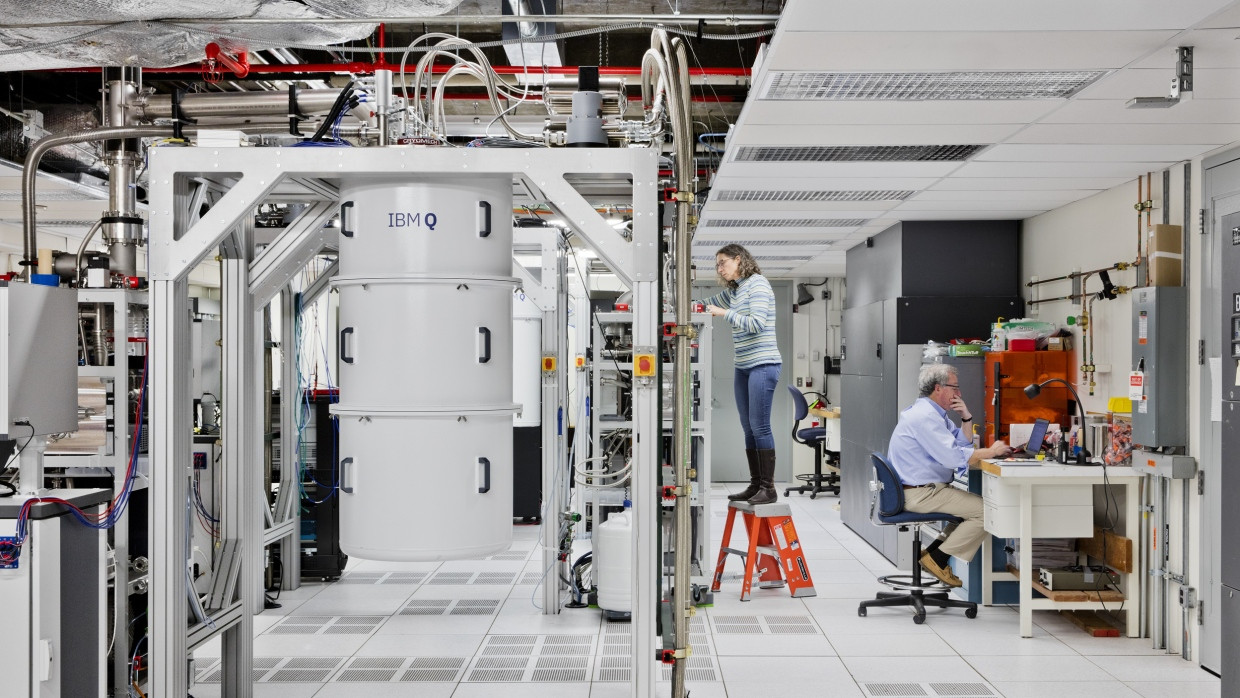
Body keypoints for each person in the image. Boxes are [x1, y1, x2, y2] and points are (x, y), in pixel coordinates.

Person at [887, 363, 1013, 587]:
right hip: (921, 494)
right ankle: (938, 559)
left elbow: (960, 442)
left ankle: (934, 555)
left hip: (923, 489)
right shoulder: (925, 417)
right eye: (954, 387)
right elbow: (954, 457)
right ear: (938, 388)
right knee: (988, 512)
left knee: (972, 512)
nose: (959, 393)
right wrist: (993, 452)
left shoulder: (932, 413)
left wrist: (966, 417)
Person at [697, 244, 782, 505]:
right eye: (717, 265)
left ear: (739, 259)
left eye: (723, 263)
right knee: (748, 428)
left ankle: (768, 488)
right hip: (743, 365)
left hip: (763, 364)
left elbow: (756, 323)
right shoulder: (736, 290)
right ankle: (756, 484)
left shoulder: (757, 284)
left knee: (760, 425)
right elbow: (704, 305)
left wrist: (724, 314)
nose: (720, 269)